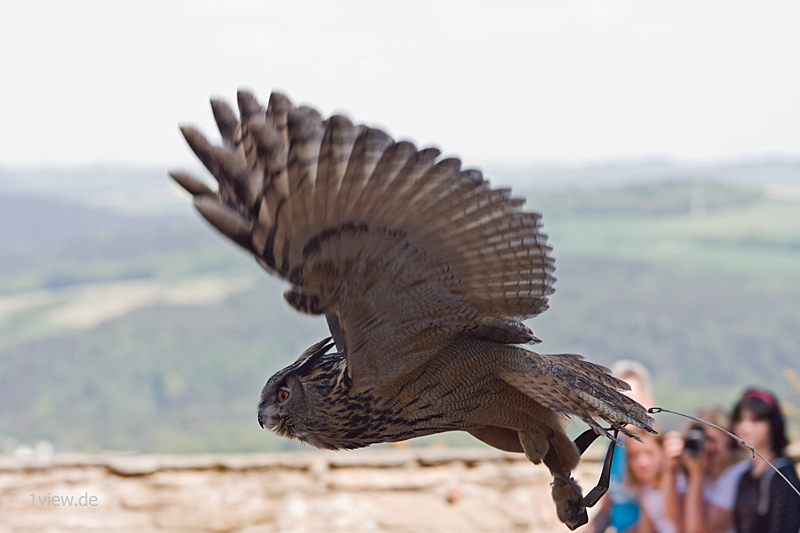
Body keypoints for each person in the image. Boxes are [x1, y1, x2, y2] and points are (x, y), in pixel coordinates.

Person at [586, 360, 655, 533]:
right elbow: (608, 508)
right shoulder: (614, 448)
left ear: (648, 403)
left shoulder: (653, 452)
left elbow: (657, 516)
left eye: (632, 401)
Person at [662, 408, 749, 533]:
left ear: (729, 440)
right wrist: (670, 470)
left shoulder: (737, 474)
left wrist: (697, 474)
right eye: (701, 440)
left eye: (712, 440)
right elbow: (674, 518)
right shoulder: (699, 470)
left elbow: (699, 529)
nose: (706, 447)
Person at [730, 388, 800, 533]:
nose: (746, 427)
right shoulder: (745, 477)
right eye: (740, 419)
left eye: (755, 420)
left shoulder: (783, 476)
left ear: (772, 424)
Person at [625, 429, 679, 533]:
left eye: (649, 453)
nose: (642, 462)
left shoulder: (679, 483)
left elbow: (676, 519)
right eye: (634, 455)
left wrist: (669, 470)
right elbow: (645, 529)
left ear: (663, 451)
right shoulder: (646, 488)